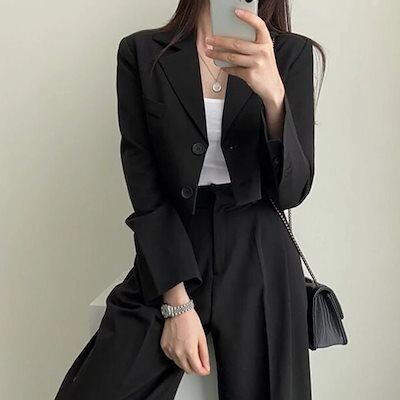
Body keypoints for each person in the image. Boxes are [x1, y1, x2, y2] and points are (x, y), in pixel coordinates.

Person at [54, 0, 326, 399]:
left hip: (259, 251)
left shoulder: (289, 53)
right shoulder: (142, 53)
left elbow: (292, 191)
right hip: (173, 245)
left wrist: (274, 97)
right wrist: (177, 304)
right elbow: (145, 188)